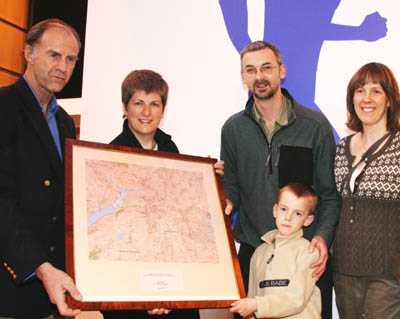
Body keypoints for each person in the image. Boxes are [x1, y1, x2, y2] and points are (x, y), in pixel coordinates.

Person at [220, 40, 341, 318]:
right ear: (243, 77)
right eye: (250, 70)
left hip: (305, 254)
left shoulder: (314, 126)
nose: (259, 76)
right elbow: (232, 187)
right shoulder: (233, 129)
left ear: (281, 70)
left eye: (266, 68)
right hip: (254, 252)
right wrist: (224, 203)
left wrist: (322, 237)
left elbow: (330, 195)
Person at [102, 69, 223, 319]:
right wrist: (144, 294)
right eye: (138, 103)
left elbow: (179, 216)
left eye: (154, 104)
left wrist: (205, 181)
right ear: (125, 108)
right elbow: (110, 236)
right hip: (129, 290)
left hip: (175, 285)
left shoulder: (171, 149)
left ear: (163, 110)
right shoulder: (108, 157)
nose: (146, 112)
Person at [0, 19, 82, 318]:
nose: (63, 66)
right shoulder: (4, 108)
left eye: (71, 59)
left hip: (51, 287)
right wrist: (39, 266)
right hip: (12, 282)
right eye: (54, 55)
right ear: (29, 53)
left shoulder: (63, 122)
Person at [333, 62, 400, 318]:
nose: (367, 99)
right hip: (345, 271)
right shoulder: (341, 148)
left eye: (376, 91)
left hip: (388, 275)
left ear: (389, 100)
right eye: (360, 91)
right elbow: (333, 203)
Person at [231, 182, 321, 318]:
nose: (288, 217)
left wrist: (257, 305)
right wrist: (252, 307)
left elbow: (297, 300)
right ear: (275, 210)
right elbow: (252, 297)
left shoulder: (308, 252)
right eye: (284, 209)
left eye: (297, 213)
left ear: (308, 220)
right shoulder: (259, 253)